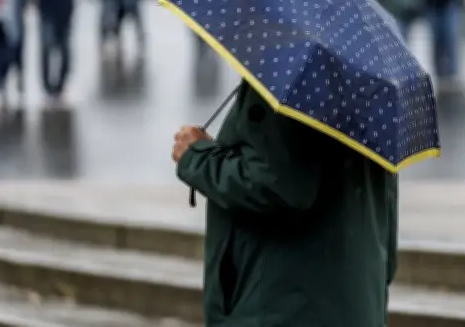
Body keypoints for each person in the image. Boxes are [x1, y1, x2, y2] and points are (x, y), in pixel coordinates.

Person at [170, 81, 397, 327]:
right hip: (356, 302)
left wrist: (198, 156)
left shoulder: (289, 81)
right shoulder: (375, 90)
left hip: (281, 305)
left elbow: (275, 183)